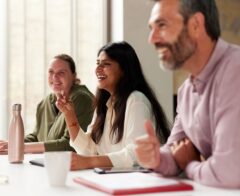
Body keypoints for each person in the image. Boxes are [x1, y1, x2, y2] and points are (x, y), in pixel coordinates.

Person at [135, 0, 240, 188]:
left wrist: (189, 165)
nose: (152, 39)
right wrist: (156, 158)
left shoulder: (235, 70)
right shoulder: (186, 92)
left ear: (196, 25)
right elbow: (174, 153)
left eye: (162, 25)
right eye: (152, 28)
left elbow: (229, 173)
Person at [56, 41, 170, 170]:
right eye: (98, 63)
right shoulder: (106, 104)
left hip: (138, 183)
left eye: (106, 64)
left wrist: (89, 162)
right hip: (113, 180)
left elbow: (135, 155)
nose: (98, 69)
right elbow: (90, 150)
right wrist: (69, 115)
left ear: (124, 70)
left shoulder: (136, 100)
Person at [0, 54, 94, 153]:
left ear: (73, 76)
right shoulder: (44, 103)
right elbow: (36, 136)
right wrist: (10, 144)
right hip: (48, 163)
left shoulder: (81, 98)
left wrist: (19, 147)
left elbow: (70, 145)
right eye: (51, 72)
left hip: (73, 165)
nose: (55, 77)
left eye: (61, 72)